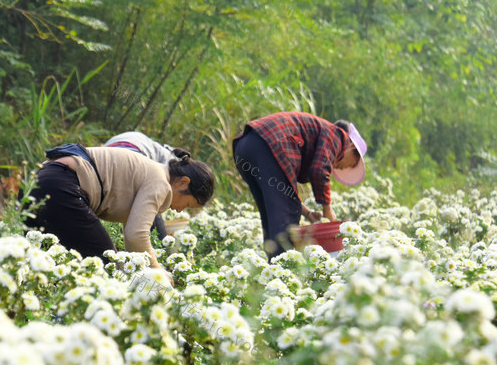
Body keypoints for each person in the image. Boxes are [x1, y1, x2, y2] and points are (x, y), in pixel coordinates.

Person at [24, 144, 215, 268]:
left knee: (42, 264)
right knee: (108, 264)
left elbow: (132, 236)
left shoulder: (151, 171)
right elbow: (136, 235)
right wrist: (158, 272)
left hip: (37, 182)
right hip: (61, 185)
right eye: (187, 205)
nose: (180, 211)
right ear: (183, 183)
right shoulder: (160, 183)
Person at [231, 111, 367, 259]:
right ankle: (282, 271)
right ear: (352, 148)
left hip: (246, 146)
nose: (340, 168)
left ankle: (273, 268)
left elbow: (284, 192)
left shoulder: (323, 134)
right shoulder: (339, 136)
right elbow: (320, 170)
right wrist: (328, 210)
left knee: (272, 214)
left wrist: (308, 213)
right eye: (352, 164)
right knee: (285, 221)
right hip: (270, 141)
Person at [104, 131, 186, 239]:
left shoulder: (160, 151)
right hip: (130, 157)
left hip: (107, 154)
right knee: (150, 220)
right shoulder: (172, 166)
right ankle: (160, 251)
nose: (181, 210)